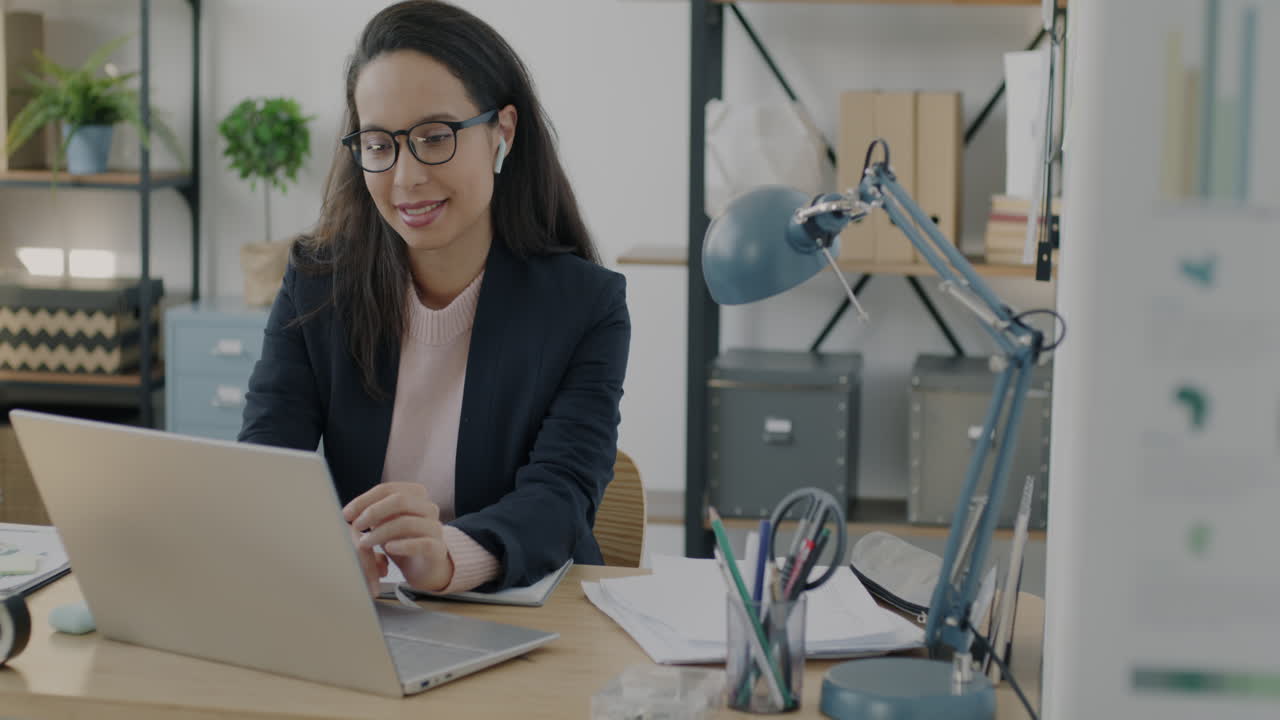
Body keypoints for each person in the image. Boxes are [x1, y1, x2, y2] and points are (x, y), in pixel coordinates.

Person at [238, 0, 630, 597]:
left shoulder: (585, 306)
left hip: (522, 612)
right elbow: (265, 465)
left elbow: (561, 493)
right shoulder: (317, 284)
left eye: (434, 137)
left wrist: (447, 559)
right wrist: (314, 538)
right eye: (379, 144)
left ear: (502, 131)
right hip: (367, 613)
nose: (406, 177)